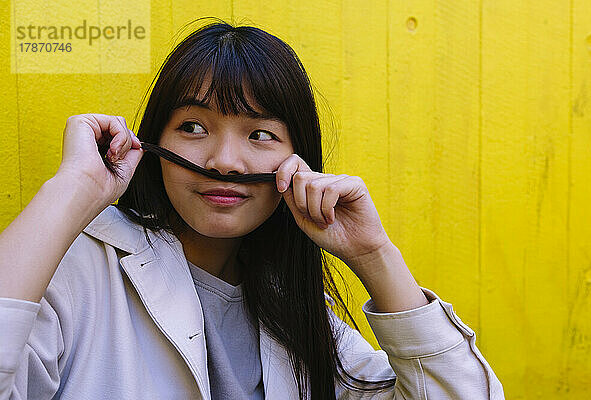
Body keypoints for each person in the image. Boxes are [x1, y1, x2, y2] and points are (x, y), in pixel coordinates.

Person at [0, 18, 504, 399]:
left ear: (297, 163)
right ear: (153, 141)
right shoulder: (77, 270)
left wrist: (373, 253)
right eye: (194, 128)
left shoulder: (300, 318)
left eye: (260, 135)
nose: (224, 162)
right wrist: (72, 190)